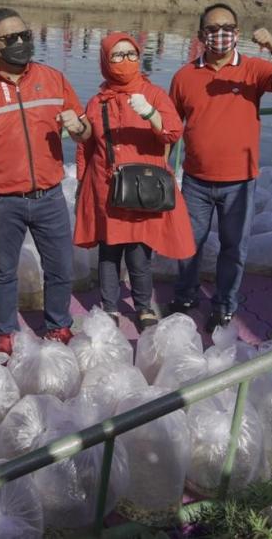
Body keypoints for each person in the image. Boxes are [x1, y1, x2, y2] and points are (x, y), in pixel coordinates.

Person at [0, 7, 91, 359]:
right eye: (10, 38)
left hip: (49, 196)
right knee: (3, 271)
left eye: (25, 35)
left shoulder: (54, 79)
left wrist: (79, 128)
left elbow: (85, 132)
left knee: (59, 266)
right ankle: (5, 334)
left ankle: (58, 326)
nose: (20, 43)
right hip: (1, 201)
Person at [169, 4, 272, 332]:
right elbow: (171, 126)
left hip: (240, 182)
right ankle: (186, 296)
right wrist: (162, 167)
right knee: (188, 245)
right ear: (201, 35)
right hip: (196, 180)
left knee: (234, 249)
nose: (220, 34)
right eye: (212, 29)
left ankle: (224, 305)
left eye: (227, 27)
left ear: (238, 33)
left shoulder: (253, 69)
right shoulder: (184, 76)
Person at [74, 33, 195, 331]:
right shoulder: (96, 101)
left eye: (131, 53)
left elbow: (172, 133)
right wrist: (81, 185)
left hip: (144, 188)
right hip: (106, 187)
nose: (125, 60)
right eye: (117, 55)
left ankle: (143, 307)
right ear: (105, 60)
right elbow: (86, 148)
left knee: (140, 254)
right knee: (109, 252)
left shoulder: (153, 94)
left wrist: (151, 114)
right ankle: (110, 307)